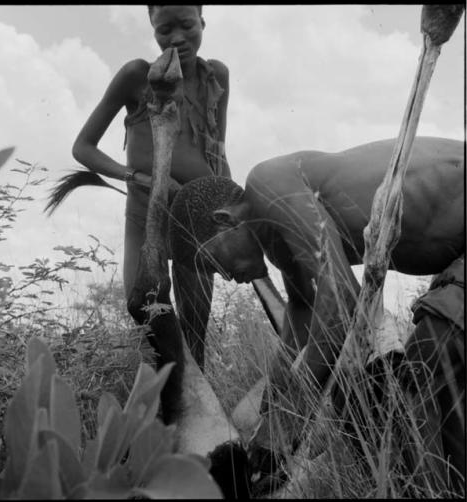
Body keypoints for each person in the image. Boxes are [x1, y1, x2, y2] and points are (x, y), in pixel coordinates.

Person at [168, 136, 464, 490]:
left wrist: (288, 423)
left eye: (214, 263)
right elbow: (303, 310)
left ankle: (434, 492)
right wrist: (275, 408)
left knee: (429, 357)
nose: (228, 277)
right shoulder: (277, 241)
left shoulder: (267, 185)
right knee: (370, 395)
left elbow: (340, 304)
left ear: (224, 220)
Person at [71, 5, 231, 422]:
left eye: (187, 26)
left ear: (203, 22)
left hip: (199, 217)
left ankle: (197, 428)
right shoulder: (136, 75)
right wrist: (138, 178)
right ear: (152, 29)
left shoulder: (217, 78)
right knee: (144, 303)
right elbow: (82, 147)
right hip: (147, 214)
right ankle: (171, 410)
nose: (177, 38)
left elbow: (218, 150)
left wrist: (230, 211)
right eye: (165, 30)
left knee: (196, 331)